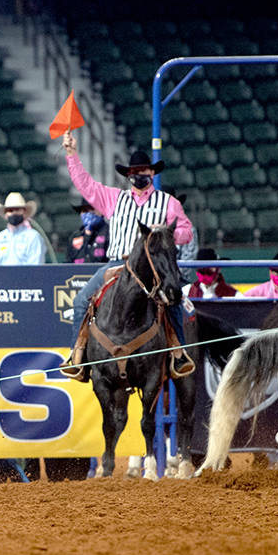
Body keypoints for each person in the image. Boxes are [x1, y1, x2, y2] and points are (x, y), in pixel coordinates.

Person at [59, 135, 193, 377]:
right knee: (81, 300)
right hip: (117, 264)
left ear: (152, 173)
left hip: (152, 269)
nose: (138, 175)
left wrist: (164, 233)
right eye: (134, 171)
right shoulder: (114, 198)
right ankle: (77, 353)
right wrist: (71, 155)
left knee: (172, 297)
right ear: (128, 175)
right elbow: (85, 185)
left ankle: (178, 351)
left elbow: (186, 232)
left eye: (143, 170)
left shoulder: (168, 203)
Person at [0, 192, 46, 265]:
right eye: (10, 210)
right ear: (5, 214)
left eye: (17, 209)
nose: (14, 212)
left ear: (24, 212)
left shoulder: (33, 237)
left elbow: (35, 267)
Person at [65, 199, 108, 264]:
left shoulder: (110, 233)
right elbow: (68, 263)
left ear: (101, 211)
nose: (89, 213)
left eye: (92, 209)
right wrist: (87, 234)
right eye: (85, 210)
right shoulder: (75, 236)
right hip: (78, 273)